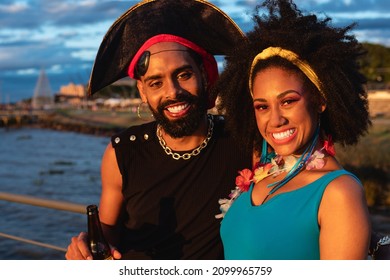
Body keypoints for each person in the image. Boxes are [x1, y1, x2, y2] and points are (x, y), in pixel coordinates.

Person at [65, 0, 253, 260]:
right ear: (142, 91)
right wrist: (86, 245)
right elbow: (107, 236)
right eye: (156, 83)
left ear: (204, 74)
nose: (172, 92)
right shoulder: (122, 152)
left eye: (184, 75)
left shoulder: (242, 139)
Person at [213, 0, 373, 259]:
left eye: (288, 101)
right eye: (262, 106)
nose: (275, 120)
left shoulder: (339, 192)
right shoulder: (263, 169)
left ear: (320, 100)